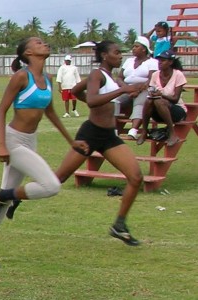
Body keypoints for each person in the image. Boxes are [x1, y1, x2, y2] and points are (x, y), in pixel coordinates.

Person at [0, 37, 88, 269]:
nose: (45, 44)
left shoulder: (47, 79)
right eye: (39, 43)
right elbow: (0, 111)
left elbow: (51, 114)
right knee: (51, 185)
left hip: (31, 140)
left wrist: (72, 142)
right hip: (13, 141)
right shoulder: (21, 77)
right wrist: (1, 144)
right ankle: (7, 195)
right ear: (28, 52)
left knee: (2, 200)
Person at [55, 40, 143, 247]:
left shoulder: (110, 77)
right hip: (91, 133)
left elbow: (77, 90)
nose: (120, 55)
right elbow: (93, 100)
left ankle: (119, 225)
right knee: (59, 178)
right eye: (116, 52)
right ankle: (13, 197)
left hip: (108, 136)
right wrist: (121, 92)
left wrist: (131, 89)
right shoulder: (98, 74)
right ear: (104, 55)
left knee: (136, 177)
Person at [137, 50, 187, 147]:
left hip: (176, 111)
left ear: (170, 62)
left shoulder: (178, 75)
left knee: (159, 101)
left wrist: (161, 94)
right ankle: (144, 131)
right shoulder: (155, 75)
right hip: (159, 112)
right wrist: (153, 94)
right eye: (159, 61)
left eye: (163, 61)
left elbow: (175, 99)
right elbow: (151, 90)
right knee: (149, 100)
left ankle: (172, 134)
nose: (159, 63)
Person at [117, 36, 158, 139]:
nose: (133, 48)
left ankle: (133, 130)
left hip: (144, 89)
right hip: (127, 89)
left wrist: (138, 90)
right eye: (133, 46)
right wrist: (126, 88)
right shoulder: (129, 61)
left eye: (136, 46)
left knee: (140, 102)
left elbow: (151, 79)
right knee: (114, 103)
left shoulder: (152, 62)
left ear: (144, 49)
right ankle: (112, 129)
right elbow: (119, 78)